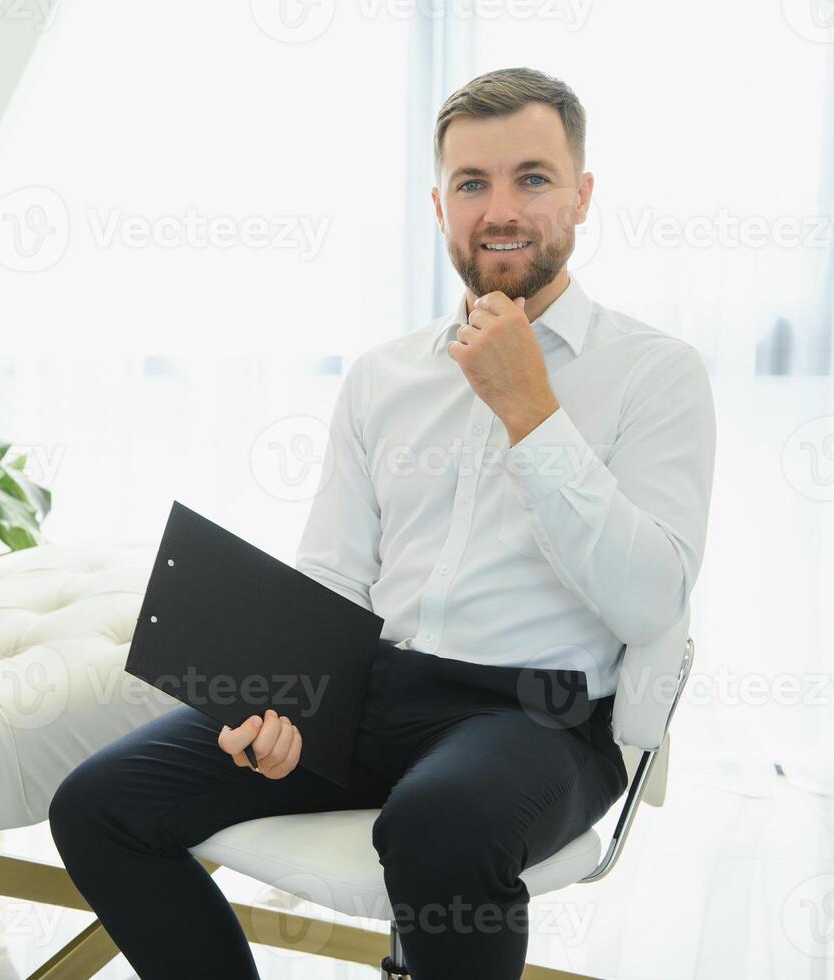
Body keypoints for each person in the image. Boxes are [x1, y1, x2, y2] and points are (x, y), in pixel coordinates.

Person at [47, 66, 717, 979]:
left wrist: (532, 413)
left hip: (541, 714)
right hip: (368, 691)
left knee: (442, 822)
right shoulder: (383, 376)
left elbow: (649, 606)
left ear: (581, 195)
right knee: (99, 803)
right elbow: (331, 572)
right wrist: (275, 697)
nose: (500, 210)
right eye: (472, 185)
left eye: (532, 178)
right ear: (439, 204)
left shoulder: (656, 374)